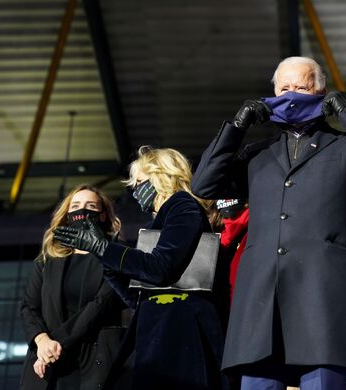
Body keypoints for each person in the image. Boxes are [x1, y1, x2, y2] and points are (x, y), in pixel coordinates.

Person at [191, 56, 346, 390]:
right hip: (263, 304)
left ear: (320, 91)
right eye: (284, 88)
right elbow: (204, 184)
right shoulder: (257, 153)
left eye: (302, 87)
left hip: (323, 300)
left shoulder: (345, 147)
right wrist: (237, 126)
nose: (292, 95)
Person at [54, 146, 228, 390]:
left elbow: (160, 268)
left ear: (161, 175)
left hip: (181, 331)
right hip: (158, 330)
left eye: (139, 181)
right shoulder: (157, 222)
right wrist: (105, 255)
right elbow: (137, 296)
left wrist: (104, 249)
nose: (135, 189)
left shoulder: (183, 206)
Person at [20, 185, 124, 390]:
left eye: (90, 206)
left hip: (89, 362)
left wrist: (54, 345)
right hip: (45, 364)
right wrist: (41, 340)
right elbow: (28, 306)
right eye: (75, 205)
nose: (81, 210)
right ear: (67, 215)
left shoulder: (115, 255)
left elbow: (98, 307)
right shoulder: (48, 257)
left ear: (102, 216)